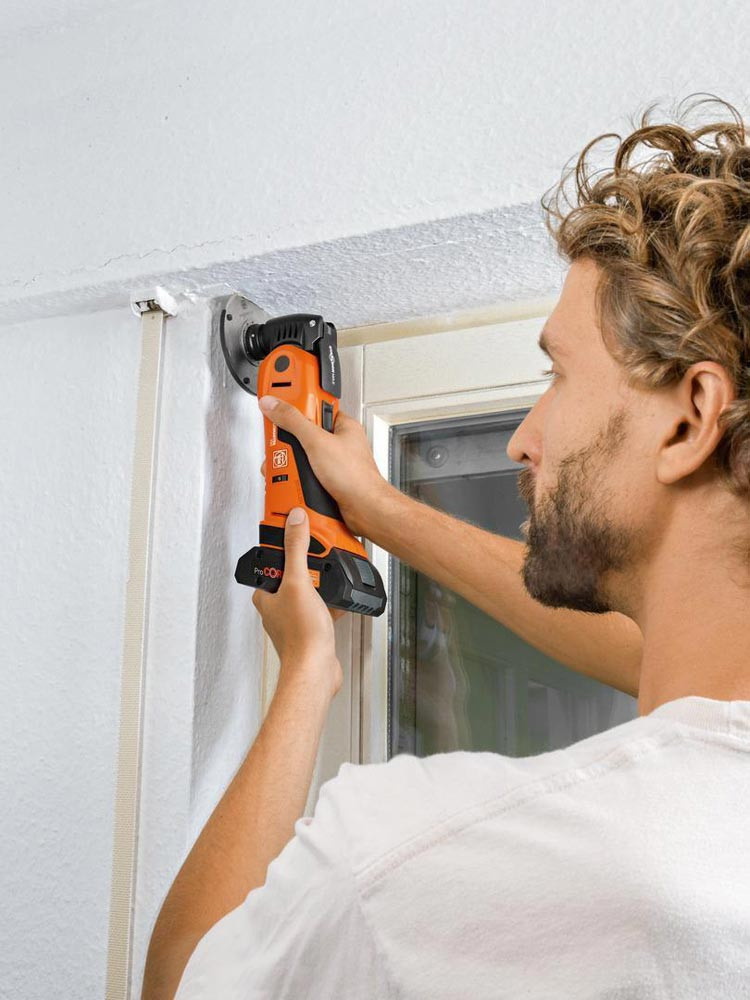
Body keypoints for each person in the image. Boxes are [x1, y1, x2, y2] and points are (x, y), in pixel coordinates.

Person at [144, 95, 750, 999]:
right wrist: (381, 513)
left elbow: (182, 982)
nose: (523, 439)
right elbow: (650, 653)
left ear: (691, 419)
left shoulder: (411, 863)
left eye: (558, 375)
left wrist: (308, 671)